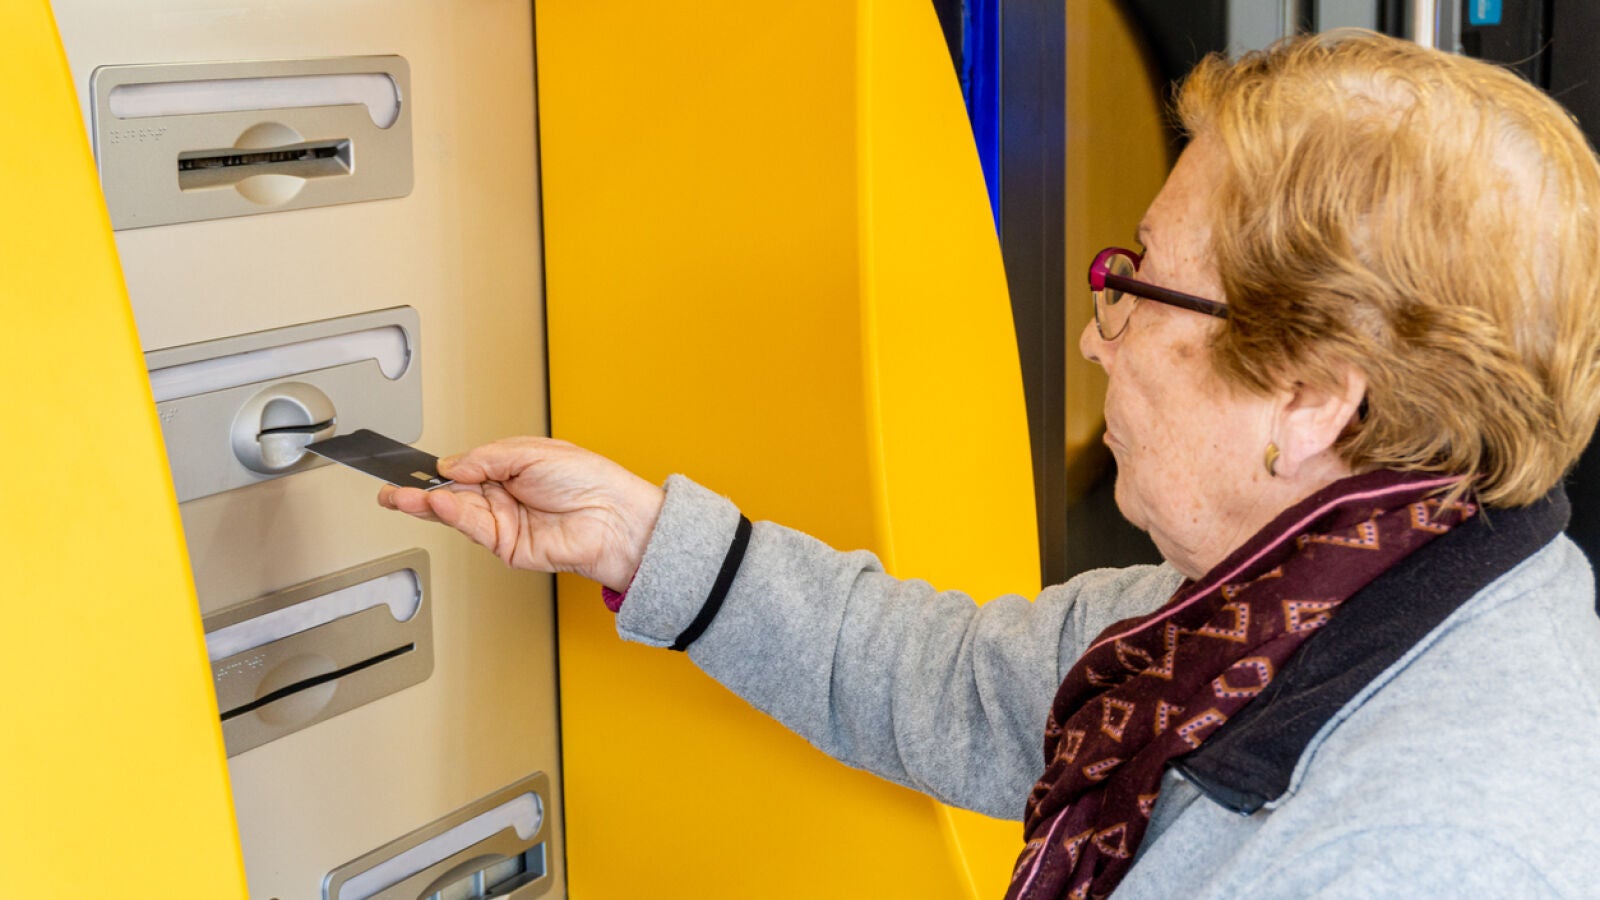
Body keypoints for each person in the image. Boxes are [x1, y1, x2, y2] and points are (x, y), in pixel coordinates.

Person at [380, 30, 1600, 897]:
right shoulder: (1282, 612)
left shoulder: (1411, 846)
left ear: (1312, 394)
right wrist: (641, 539)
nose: (1095, 337)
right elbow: (957, 683)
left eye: (1141, 286)